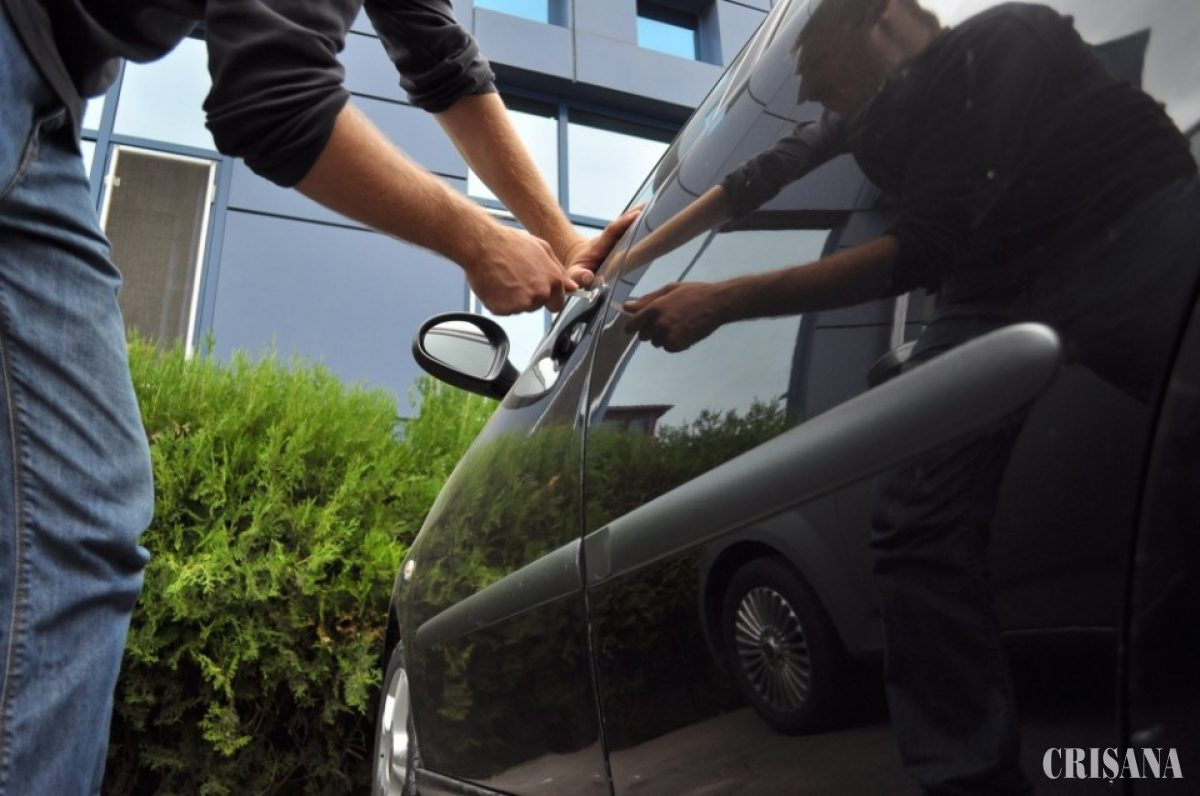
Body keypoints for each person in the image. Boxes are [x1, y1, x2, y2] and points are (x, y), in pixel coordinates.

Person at [0, 1, 635, 792]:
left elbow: (439, 55)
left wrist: (564, 242)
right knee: (70, 519)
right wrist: (479, 243)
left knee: (71, 514)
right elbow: (275, 96)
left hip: (40, 102)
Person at [623, 0, 1200, 792]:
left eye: (812, 65)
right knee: (915, 517)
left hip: (1122, 216)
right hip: (988, 287)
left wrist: (723, 300)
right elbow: (748, 184)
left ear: (874, 18)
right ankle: (967, 777)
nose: (806, 91)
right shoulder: (859, 116)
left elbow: (928, 243)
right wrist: (623, 255)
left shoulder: (1008, 38)